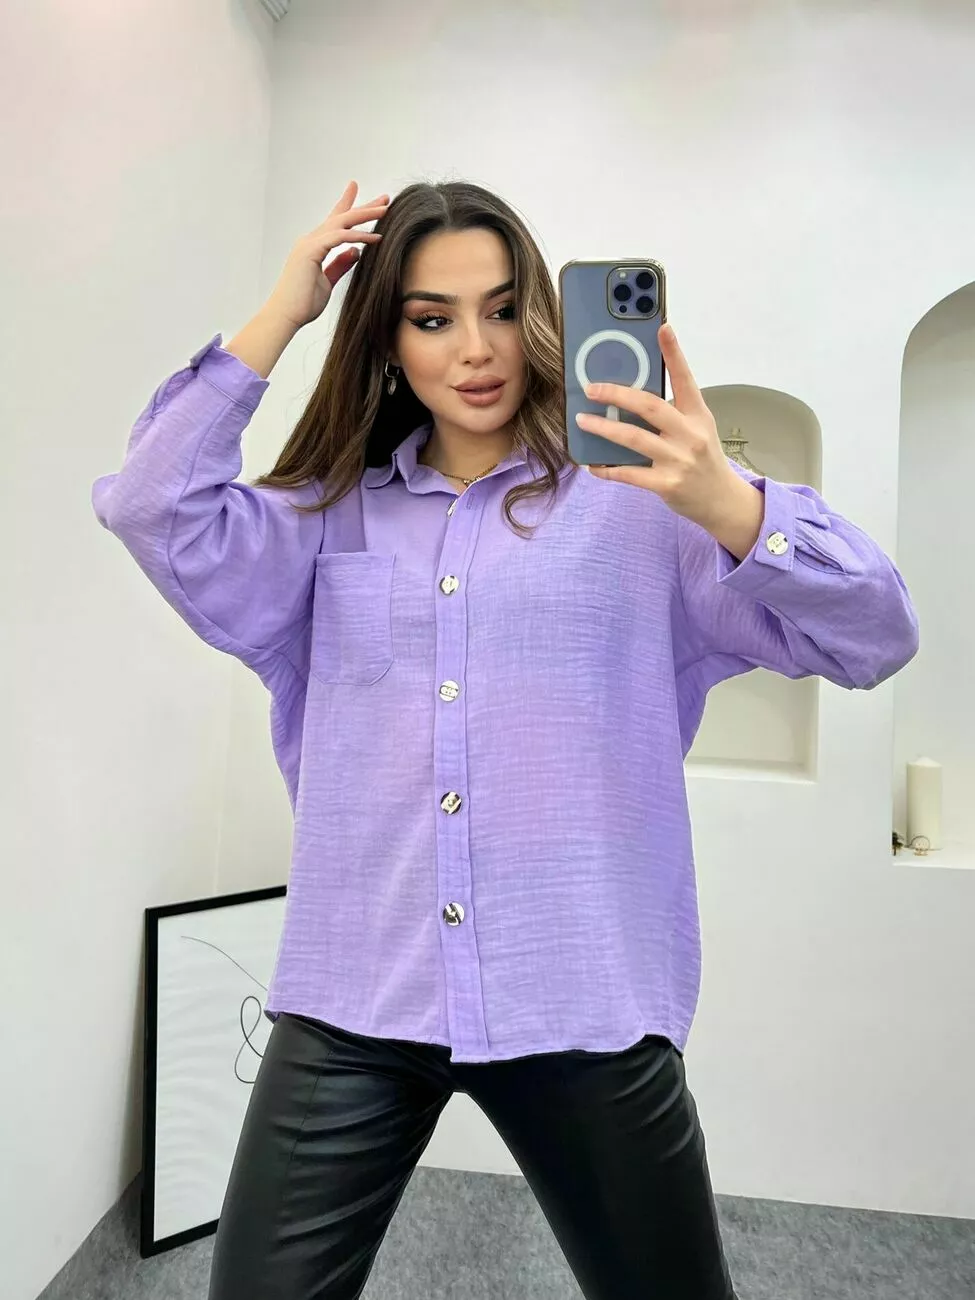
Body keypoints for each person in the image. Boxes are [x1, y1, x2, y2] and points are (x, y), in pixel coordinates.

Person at [91, 179, 919, 1300]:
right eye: (431, 318)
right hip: (357, 994)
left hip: (579, 994)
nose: (474, 349)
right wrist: (283, 311)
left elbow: (877, 634)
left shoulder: (645, 506)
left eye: (498, 308)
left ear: (540, 313)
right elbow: (150, 507)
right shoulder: (324, 514)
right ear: (387, 341)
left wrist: (728, 500)